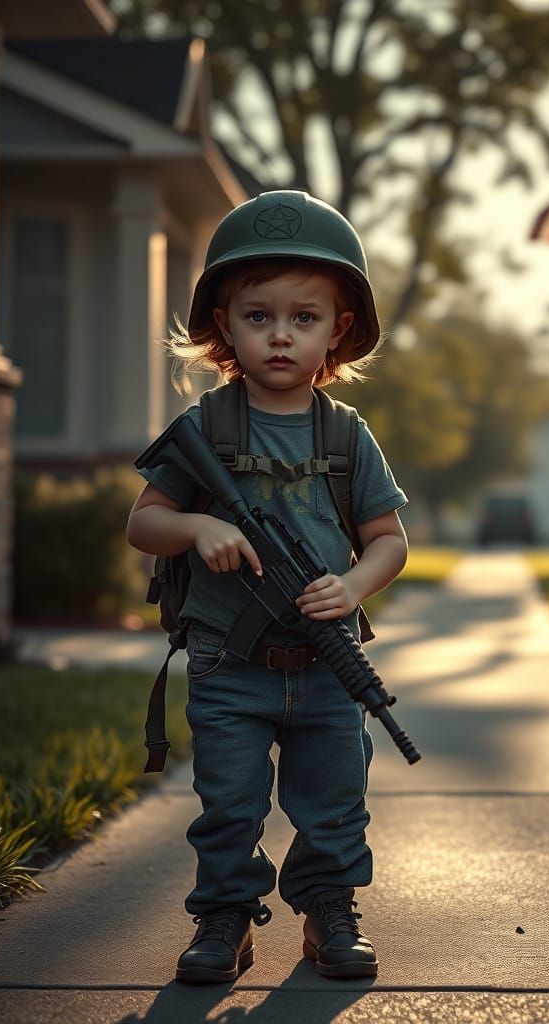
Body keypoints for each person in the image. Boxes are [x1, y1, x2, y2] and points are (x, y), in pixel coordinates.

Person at [126, 190, 408, 984]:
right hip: (228, 663)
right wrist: (198, 528)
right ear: (223, 323)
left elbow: (390, 543)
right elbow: (144, 523)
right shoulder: (209, 431)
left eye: (304, 317)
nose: (281, 334)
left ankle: (329, 915)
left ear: (337, 329)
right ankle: (223, 921)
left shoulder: (346, 436)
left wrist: (352, 587)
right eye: (258, 316)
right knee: (228, 806)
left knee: (335, 804)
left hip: (326, 664)